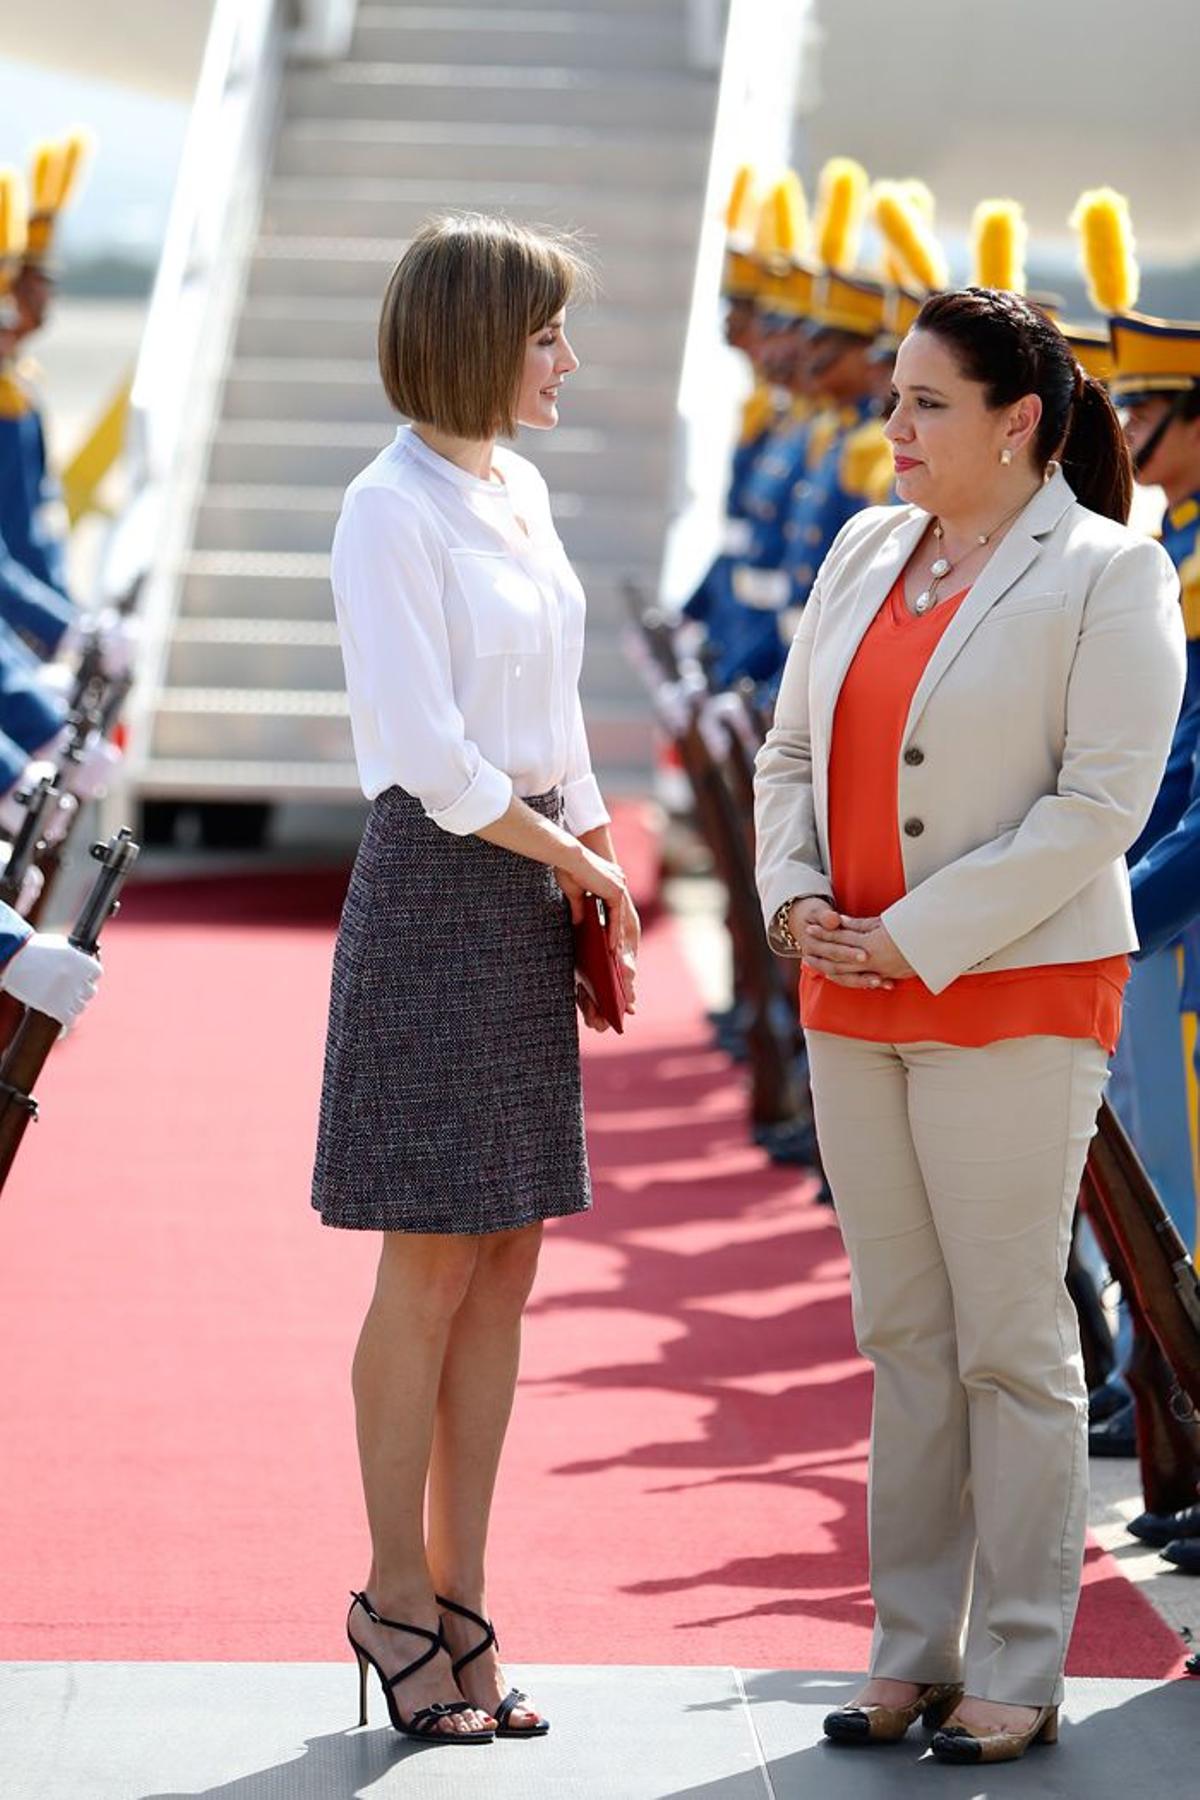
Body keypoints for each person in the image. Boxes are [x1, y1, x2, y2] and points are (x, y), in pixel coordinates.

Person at [754, 286, 1184, 1764]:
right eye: (891, 399)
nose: (893, 429)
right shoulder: (869, 545)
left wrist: (913, 935)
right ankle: (909, 1651)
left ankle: (1019, 1659)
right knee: (904, 1333)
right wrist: (792, 897)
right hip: (845, 992)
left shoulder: (1111, 571)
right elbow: (790, 747)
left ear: (1022, 423)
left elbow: (1100, 808)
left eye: (926, 404)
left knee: (1010, 1338)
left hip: (1008, 994)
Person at [310, 214, 639, 1745]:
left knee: (510, 1260)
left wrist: (597, 854)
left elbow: (558, 712)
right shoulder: (390, 511)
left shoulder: (518, 489)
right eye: (547, 332)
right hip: (445, 889)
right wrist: (573, 864)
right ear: (477, 337)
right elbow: (436, 762)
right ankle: (391, 1591)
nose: (566, 357)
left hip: (530, 883)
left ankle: (462, 1595)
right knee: (431, 1261)